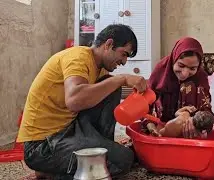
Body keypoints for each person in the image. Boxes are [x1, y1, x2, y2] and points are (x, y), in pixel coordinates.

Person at [16, 24, 147, 179]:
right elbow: (74, 100)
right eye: (124, 54)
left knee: (112, 87)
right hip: (42, 146)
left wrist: (141, 90)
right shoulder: (78, 57)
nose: (124, 62)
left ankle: (98, 148)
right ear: (109, 44)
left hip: (69, 130)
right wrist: (122, 78)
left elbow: (111, 91)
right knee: (123, 160)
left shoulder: (101, 67)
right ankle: (51, 172)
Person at [143, 37, 214, 139]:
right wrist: (150, 125)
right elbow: (145, 107)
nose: (185, 74)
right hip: (160, 126)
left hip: (189, 130)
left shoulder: (201, 78)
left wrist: (194, 120)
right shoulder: (161, 72)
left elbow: (207, 112)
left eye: (192, 68)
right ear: (174, 59)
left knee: (197, 130)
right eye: (181, 65)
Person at [146, 106, 214, 138]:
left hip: (165, 124)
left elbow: (176, 113)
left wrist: (185, 108)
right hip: (165, 130)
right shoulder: (176, 127)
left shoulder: (186, 114)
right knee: (157, 135)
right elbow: (160, 135)